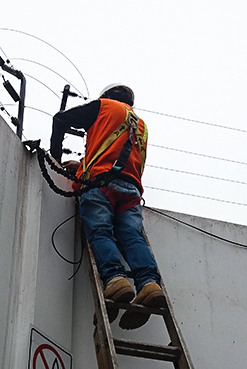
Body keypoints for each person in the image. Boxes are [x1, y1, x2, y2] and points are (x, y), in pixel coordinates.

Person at [50, 83, 165, 330]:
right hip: (131, 190)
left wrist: (55, 160)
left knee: (100, 231)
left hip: (101, 185)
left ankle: (115, 280)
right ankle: (149, 285)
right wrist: (80, 165)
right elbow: (114, 152)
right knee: (132, 236)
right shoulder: (140, 124)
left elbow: (60, 120)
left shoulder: (103, 107)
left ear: (106, 97)